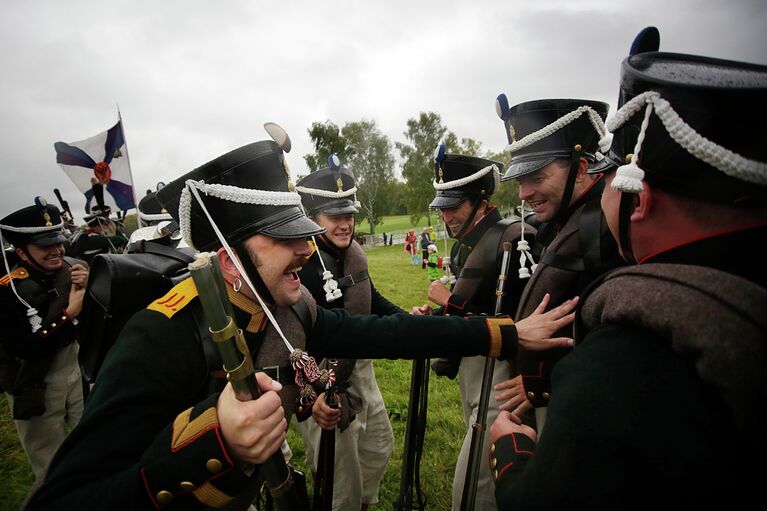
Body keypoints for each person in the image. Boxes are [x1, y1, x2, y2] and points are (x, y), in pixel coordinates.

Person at [27, 126, 576, 510]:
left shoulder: (292, 307)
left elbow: (384, 330)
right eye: (287, 239)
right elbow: (66, 498)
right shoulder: (160, 335)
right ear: (228, 259)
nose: (307, 251)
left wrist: (503, 332)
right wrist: (218, 442)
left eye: (304, 235)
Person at [489, 27, 767, 508]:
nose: (606, 184)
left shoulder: (623, 358)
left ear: (640, 198)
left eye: (612, 173)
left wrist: (513, 454)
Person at [412, 145, 540, 511]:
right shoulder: (466, 246)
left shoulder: (513, 240)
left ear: (482, 202)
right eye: (444, 205)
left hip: (500, 383)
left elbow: (519, 321)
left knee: (475, 490)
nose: (447, 215)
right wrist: (437, 316)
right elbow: (476, 311)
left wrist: (445, 301)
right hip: (474, 375)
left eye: (455, 205)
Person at [491, 92, 625, 436]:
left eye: (535, 177)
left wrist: (544, 381)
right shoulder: (564, 220)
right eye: (521, 180)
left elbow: (618, 339)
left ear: (581, 168)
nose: (523, 193)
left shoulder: (606, 227)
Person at [295, 155, 401, 511]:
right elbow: (286, 344)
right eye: (334, 217)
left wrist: (413, 324)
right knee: (341, 479)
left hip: (360, 367)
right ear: (312, 218)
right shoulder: (297, 264)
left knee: (377, 448)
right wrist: (311, 396)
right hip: (320, 375)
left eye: (349, 215)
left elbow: (373, 301)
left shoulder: (352, 255)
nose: (345, 225)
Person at [0, 198, 88, 483]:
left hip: (74, 367)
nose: (57, 251)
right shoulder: (8, 288)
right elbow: (24, 347)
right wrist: (70, 312)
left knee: (90, 439)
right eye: (45, 246)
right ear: (22, 252)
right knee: (49, 462)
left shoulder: (72, 268)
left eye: (58, 242)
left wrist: (93, 284)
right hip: (32, 378)